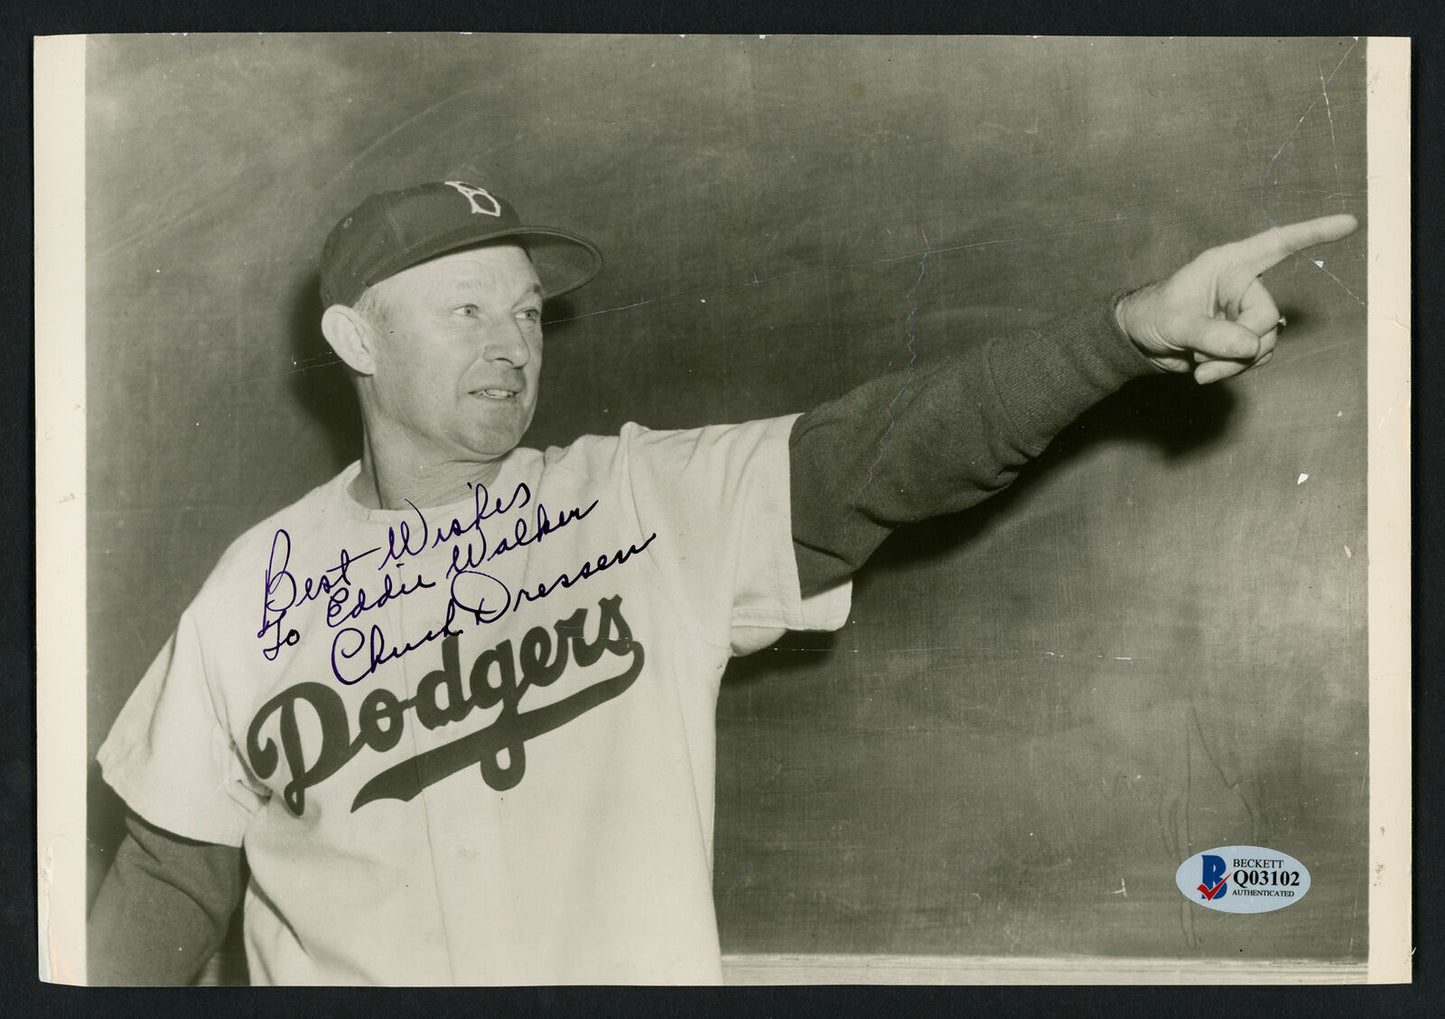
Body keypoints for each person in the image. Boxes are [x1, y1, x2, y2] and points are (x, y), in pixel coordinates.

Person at [88, 179, 1357, 985]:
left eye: (525, 312)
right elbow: (173, 878)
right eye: (465, 309)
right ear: (356, 338)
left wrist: (1121, 332)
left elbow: (890, 449)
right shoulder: (255, 585)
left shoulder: (634, 503)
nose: (511, 343)